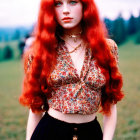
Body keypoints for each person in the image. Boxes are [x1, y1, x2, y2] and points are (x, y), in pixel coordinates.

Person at [19, 0, 124, 140]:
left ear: (85, 6)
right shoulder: (40, 51)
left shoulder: (107, 49)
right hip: (50, 133)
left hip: (91, 134)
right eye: (58, 4)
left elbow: (110, 104)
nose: (65, 10)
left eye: (73, 2)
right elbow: (35, 109)